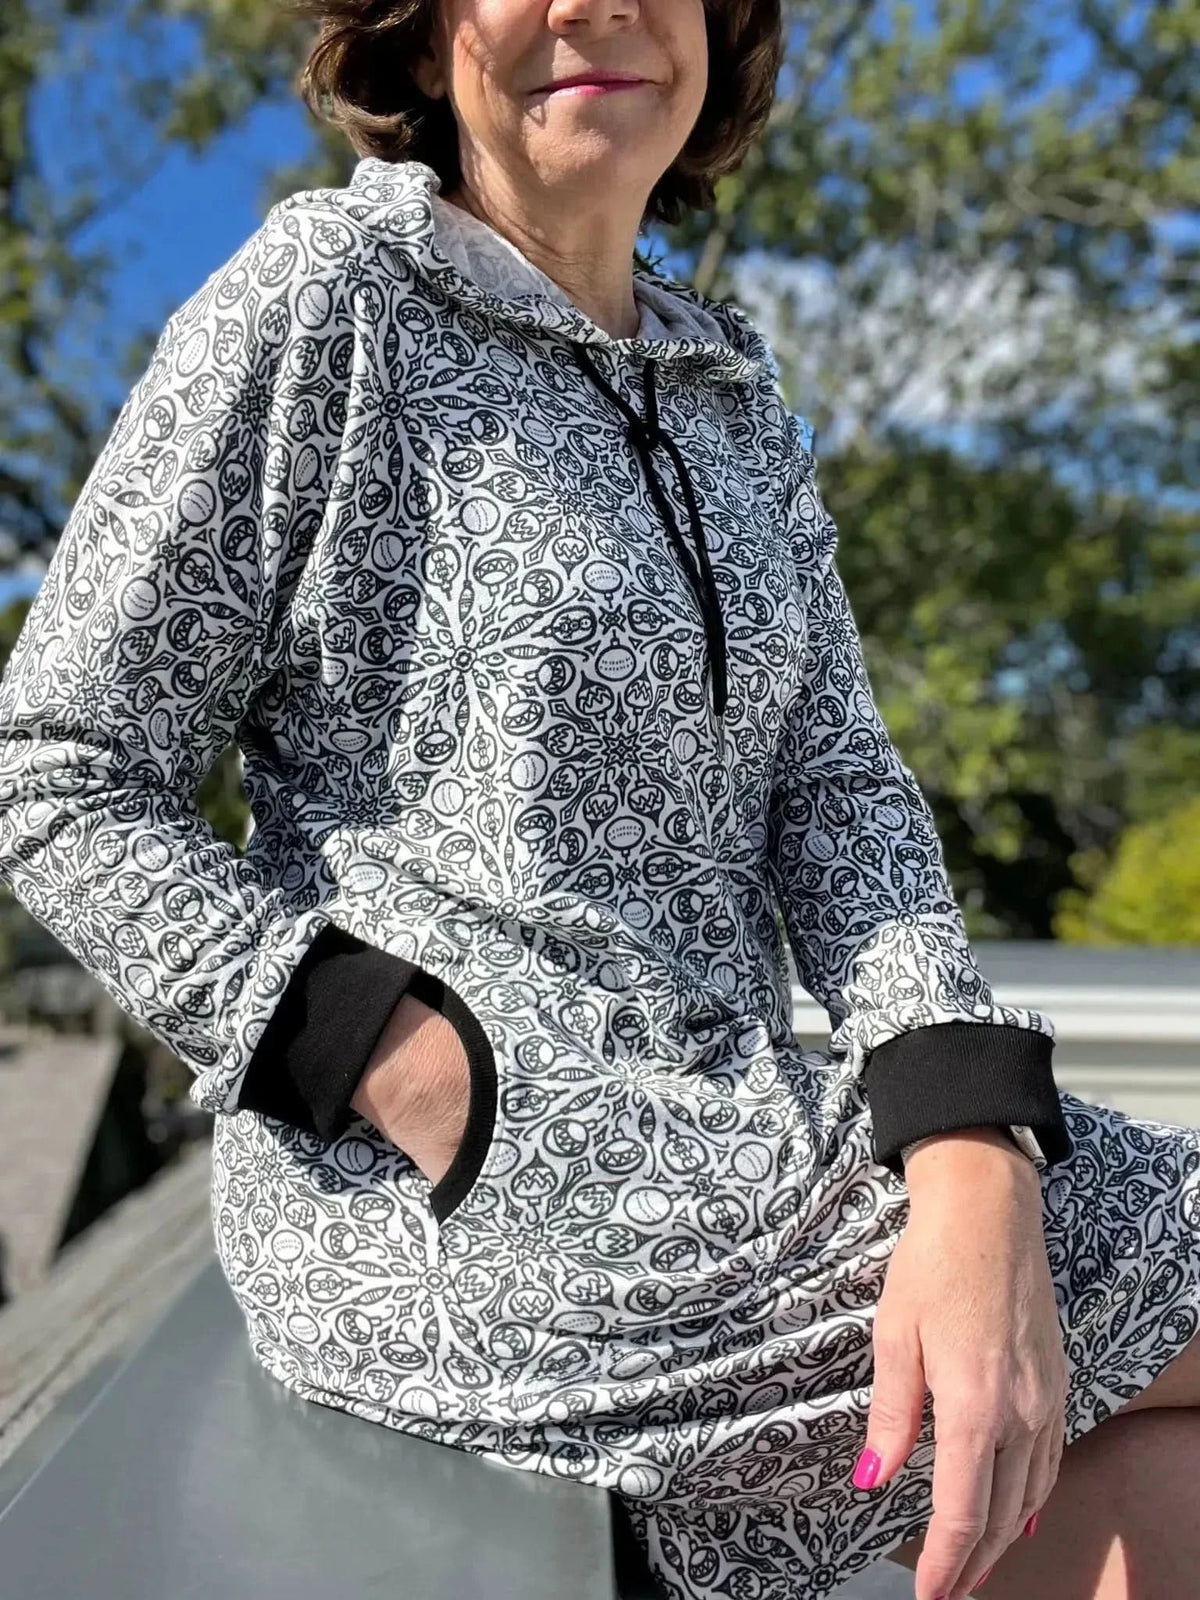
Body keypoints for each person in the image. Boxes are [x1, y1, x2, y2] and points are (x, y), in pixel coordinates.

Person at [0, 1, 1196, 1596]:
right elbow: (58, 764)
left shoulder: (727, 385)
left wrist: (972, 1144)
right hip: (467, 1210)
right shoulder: (329, 305)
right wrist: (403, 1060)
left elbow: (836, 790)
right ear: (424, 43)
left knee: (1164, 1476)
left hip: (760, 1135)